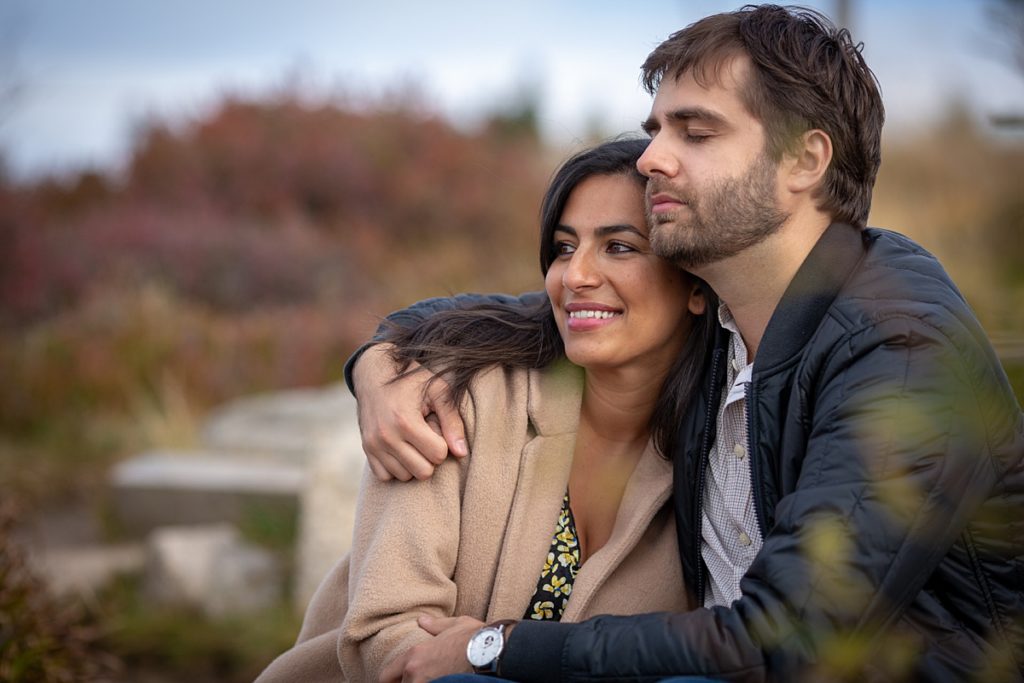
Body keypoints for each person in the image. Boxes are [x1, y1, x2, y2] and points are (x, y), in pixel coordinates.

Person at [346, 5, 1024, 681]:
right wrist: (382, 360)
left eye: (695, 132)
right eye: (656, 129)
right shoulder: (717, 317)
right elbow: (540, 309)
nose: (652, 158)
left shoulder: (900, 348)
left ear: (805, 160)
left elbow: (784, 638)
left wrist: (497, 645)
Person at [257, 138, 718, 682]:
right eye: (565, 248)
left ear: (697, 285)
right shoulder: (454, 403)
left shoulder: (715, 459)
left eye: (619, 247)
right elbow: (387, 641)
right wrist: (379, 358)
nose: (575, 276)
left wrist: (494, 648)